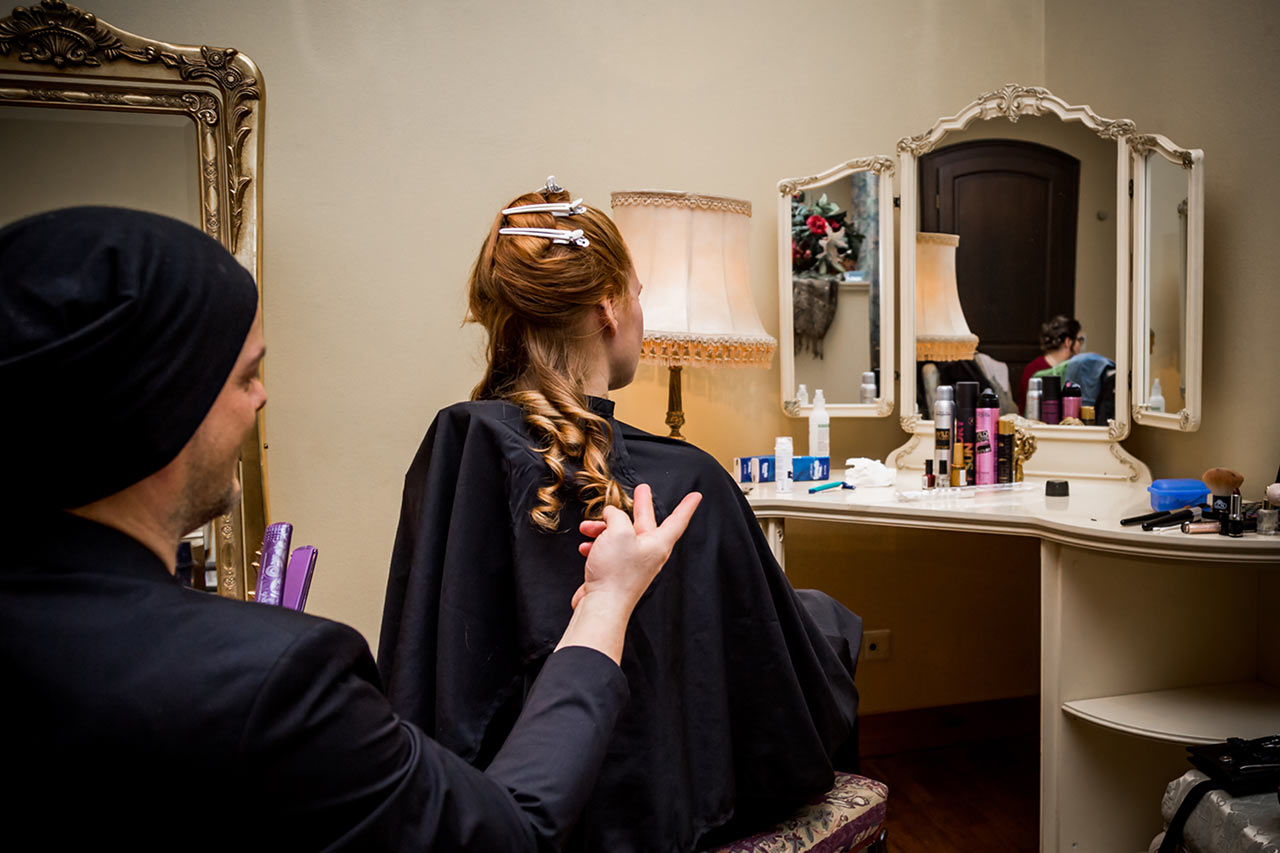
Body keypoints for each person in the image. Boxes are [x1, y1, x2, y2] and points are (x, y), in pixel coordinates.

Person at [0, 206, 700, 850]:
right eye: (246, 377)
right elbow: (509, 831)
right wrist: (607, 600)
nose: (262, 397)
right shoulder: (277, 682)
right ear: (163, 415)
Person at [379, 178, 863, 852]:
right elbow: (783, 717)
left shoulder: (459, 446)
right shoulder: (686, 480)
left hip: (473, 809)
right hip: (642, 816)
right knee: (829, 622)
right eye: (638, 294)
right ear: (609, 306)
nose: (641, 311)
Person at [1017, 314, 1084, 409]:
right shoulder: (1035, 370)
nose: (1080, 345)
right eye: (1079, 340)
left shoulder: (1032, 368)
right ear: (1068, 342)